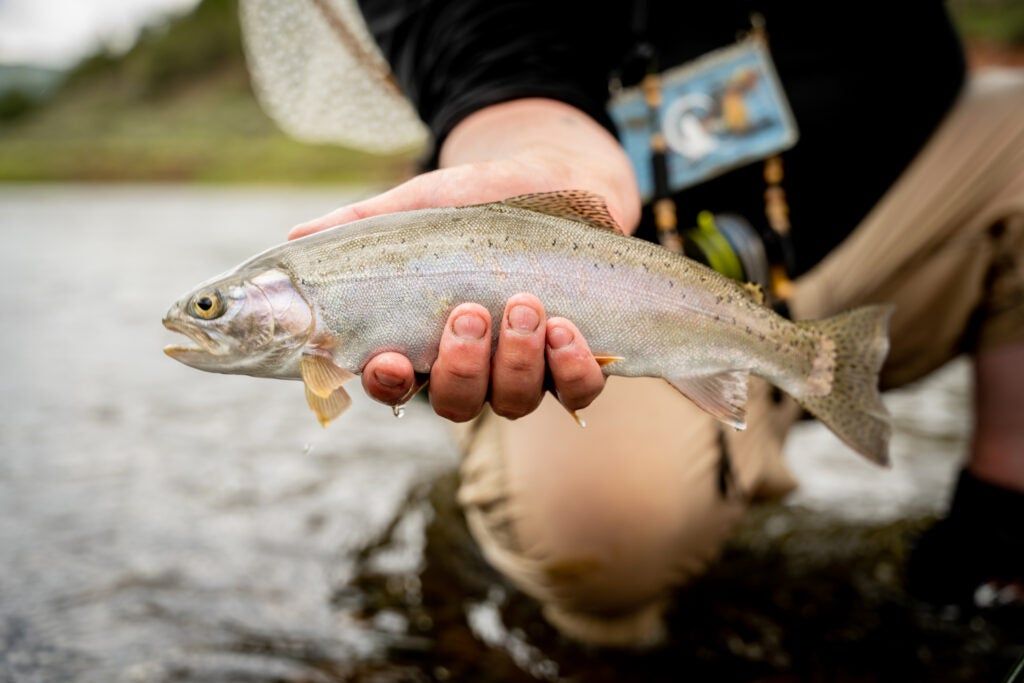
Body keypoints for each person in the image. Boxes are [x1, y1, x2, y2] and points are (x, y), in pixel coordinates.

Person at [288, 2, 1024, 646]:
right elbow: (483, 46)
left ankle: (996, 539)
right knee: (598, 545)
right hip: (626, 294)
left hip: (903, 201)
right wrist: (549, 159)